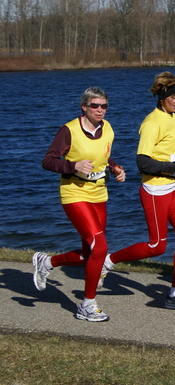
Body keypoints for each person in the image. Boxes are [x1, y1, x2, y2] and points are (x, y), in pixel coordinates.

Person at [99, 71, 175, 311]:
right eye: (173, 96)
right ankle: (109, 260)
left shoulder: (174, 118)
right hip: (156, 191)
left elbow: (168, 154)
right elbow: (143, 162)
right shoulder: (152, 122)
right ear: (162, 97)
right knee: (157, 246)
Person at [35, 87, 126, 322]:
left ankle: (47, 262)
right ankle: (87, 304)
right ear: (84, 107)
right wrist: (72, 166)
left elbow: (104, 157)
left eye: (104, 106)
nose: (99, 110)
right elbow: (48, 160)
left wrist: (115, 167)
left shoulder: (107, 129)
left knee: (90, 253)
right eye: (94, 106)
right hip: (74, 193)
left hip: (99, 194)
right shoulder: (69, 130)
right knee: (101, 248)